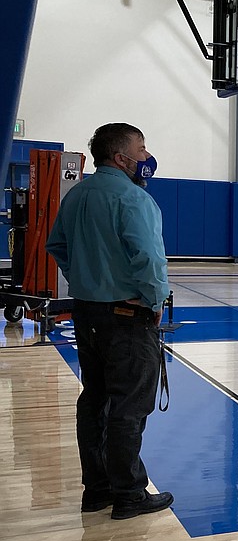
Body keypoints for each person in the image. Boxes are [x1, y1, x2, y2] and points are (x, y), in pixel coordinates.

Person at [46, 123, 174, 520]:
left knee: (95, 398)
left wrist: (87, 279)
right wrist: (154, 300)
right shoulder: (134, 200)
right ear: (122, 157)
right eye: (141, 147)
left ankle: (97, 490)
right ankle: (130, 494)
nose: (145, 154)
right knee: (129, 405)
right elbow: (150, 261)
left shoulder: (77, 194)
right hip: (127, 315)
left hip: (87, 312)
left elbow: (57, 246)